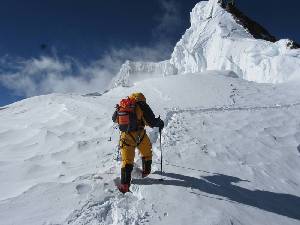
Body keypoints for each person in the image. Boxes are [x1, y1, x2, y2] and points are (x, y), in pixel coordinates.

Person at [112, 92, 164, 193]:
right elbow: (152, 122)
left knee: (127, 161)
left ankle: (124, 186)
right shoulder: (142, 105)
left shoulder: (123, 104)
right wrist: (160, 123)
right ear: (142, 99)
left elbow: (114, 119)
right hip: (140, 135)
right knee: (147, 153)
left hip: (125, 136)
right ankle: (145, 171)